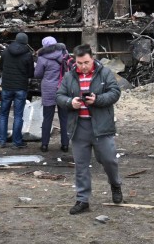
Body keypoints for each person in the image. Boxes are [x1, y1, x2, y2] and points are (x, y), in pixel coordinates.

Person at [56, 44, 123, 215]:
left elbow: (115, 92)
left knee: (109, 160)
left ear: (92, 58)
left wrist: (98, 99)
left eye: (86, 62)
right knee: (81, 165)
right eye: (79, 63)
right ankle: (82, 199)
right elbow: (59, 96)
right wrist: (70, 102)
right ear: (75, 61)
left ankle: (115, 184)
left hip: (101, 125)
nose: (83, 66)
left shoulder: (104, 73)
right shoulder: (70, 76)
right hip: (79, 127)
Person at [0, 32, 34, 148]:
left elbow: (0, 66)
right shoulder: (28, 55)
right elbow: (30, 73)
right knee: (18, 116)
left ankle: (2, 141)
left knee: (3, 114)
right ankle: (17, 142)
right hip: (20, 88)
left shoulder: (6, 51)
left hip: (7, 87)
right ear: (26, 42)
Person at [34, 36, 70, 152]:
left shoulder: (42, 58)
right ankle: (65, 145)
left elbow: (38, 75)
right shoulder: (65, 54)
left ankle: (44, 145)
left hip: (48, 89)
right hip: (63, 89)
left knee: (47, 118)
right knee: (64, 118)